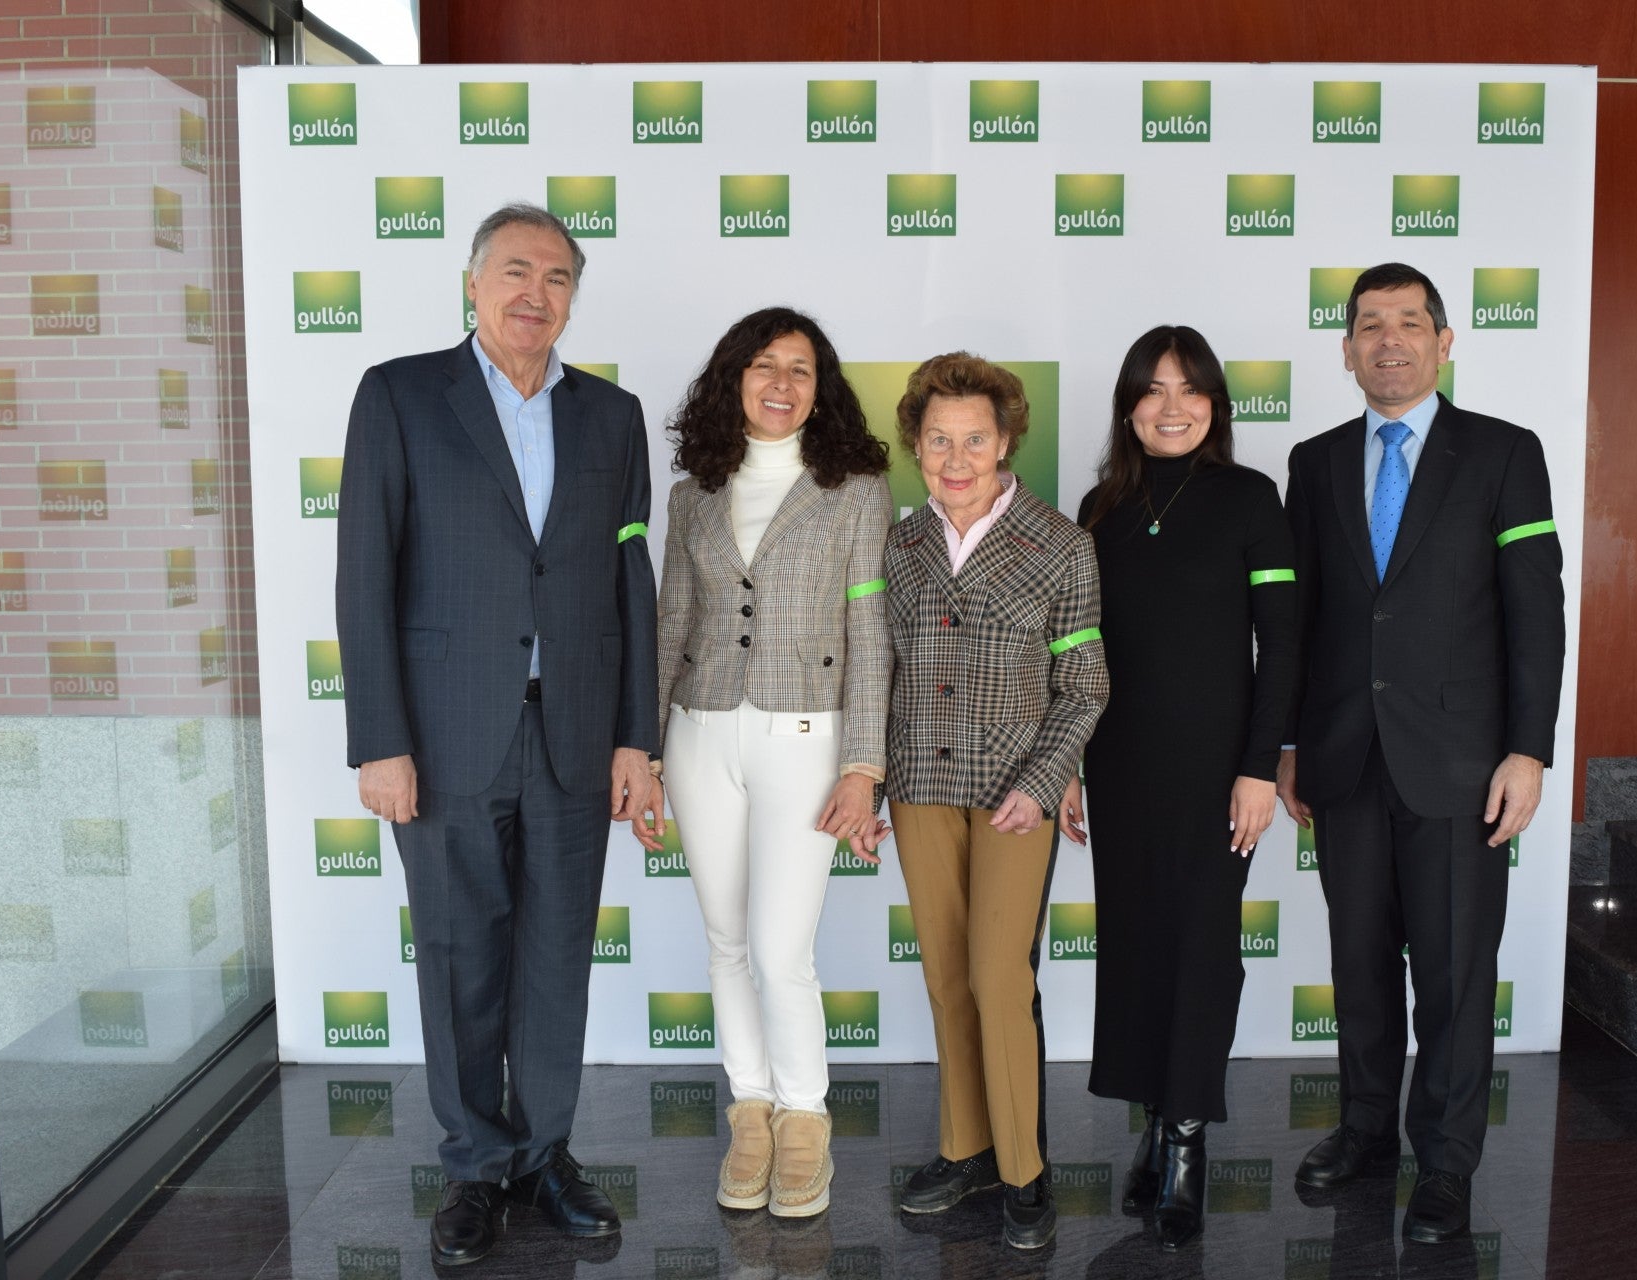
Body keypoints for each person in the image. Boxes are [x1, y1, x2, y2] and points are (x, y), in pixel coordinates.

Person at [336, 202, 658, 1266]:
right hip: (442, 740)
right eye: (515, 271)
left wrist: (635, 737)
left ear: (572, 299)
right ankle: (476, 1164)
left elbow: (630, 580)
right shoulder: (398, 395)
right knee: (460, 957)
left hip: (573, 733)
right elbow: (363, 576)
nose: (536, 293)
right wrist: (380, 739)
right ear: (473, 284)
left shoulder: (612, 415)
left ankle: (545, 1156)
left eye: (557, 277)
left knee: (557, 959)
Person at [1279, 262, 1564, 1243]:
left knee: (1452, 974)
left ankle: (1445, 1162)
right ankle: (1364, 1129)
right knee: (1358, 965)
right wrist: (1290, 743)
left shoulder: (1505, 453)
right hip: (1344, 760)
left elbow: (1535, 611)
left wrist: (1529, 750)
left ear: (1444, 342)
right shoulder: (1315, 462)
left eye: (1409, 322)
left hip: (1461, 766)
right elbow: (1303, 618)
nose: (1388, 340)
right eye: (1369, 324)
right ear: (1346, 349)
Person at [644, 306, 893, 1218]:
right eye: (763, 366)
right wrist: (646, 751)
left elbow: (871, 629)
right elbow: (672, 622)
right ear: (733, 380)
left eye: (800, 369)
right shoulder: (693, 494)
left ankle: (805, 1119)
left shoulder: (856, 488)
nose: (781, 384)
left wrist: (864, 765)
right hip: (701, 731)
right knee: (726, 940)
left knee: (783, 950)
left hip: (809, 739)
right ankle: (749, 1111)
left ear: (820, 389)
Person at [1064, 324, 1296, 1250]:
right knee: (1138, 944)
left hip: (1217, 771)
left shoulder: (1250, 497)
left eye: (1190, 389)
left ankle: (1189, 1141)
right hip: (1119, 765)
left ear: (1214, 405)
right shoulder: (1099, 507)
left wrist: (1259, 766)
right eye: (1153, 389)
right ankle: (1156, 1122)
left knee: (1202, 948)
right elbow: (1076, 650)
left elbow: (1282, 644)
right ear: (1129, 406)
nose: (1172, 407)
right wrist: (1068, 763)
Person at [883, 353, 1109, 1251]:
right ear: (917, 445)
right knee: (945, 978)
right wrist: (869, 777)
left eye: (974, 439)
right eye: (939, 439)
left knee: (998, 979)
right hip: (920, 788)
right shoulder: (899, 546)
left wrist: (1044, 780)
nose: (956, 458)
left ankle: (1024, 1170)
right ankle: (963, 1149)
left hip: (1016, 794)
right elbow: (880, 670)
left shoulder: (1062, 545)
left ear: (1006, 441)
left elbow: (1084, 686)